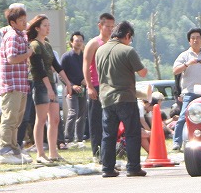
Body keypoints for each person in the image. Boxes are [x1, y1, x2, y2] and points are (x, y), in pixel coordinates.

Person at [95, 20, 148, 178]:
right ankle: (133, 167)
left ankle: (107, 168)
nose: (130, 41)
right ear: (127, 35)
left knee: (108, 135)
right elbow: (142, 73)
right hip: (125, 98)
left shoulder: (100, 51)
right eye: (130, 38)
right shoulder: (128, 51)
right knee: (132, 133)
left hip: (106, 99)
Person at [26, 14, 72, 164]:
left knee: (55, 119)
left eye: (49, 25)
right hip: (41, 84)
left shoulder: (47, 45)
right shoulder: (35, 45)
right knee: (41, 119)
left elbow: (56, 66)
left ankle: (53, 152)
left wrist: (67, 82)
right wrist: (48, 88)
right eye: (45, 25)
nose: (48, 28)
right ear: (37, 28)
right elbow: (39, 69)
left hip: (51, 83)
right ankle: (40, 153)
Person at [0, 6, 33, 165]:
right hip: (12, 84)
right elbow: (11, 58)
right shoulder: (12, 36)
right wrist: (27, 54)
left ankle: (14, 149)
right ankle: (5, 151)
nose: (24, 22)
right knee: (9, 118)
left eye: (25, 19)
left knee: (16, 120)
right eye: (21, 20)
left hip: (20, 84)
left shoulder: (21, 35)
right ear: (13, 23)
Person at [171, 28, 201, 151]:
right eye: (193, 38)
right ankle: (177, 142)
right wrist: (187, 64)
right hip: (189, 92)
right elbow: (175, 71)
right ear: (189, 41)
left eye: (198, 38)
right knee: (183, 117)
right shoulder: (184, 55)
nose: (195, 40)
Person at [82, 13, 115, 162]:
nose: (110, 29)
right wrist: (89, 86)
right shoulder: (94, 43)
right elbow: (85, 65)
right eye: (107, 26)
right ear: (100, 26)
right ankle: (97, 152)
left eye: (112, 27)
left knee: (110, 120)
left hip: (110, 86)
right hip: (96, 85)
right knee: (96, 121)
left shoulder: (113, 43)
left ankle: (108, 152)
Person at [60, 31, 87, 148]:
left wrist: (86, 80)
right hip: (70, 90)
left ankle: (79, 139)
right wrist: (71, 85)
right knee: (73, 112)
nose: (79, 43)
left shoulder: (84, 56)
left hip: (83, 89)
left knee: (82, 113)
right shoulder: (66, 57)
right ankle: (68, 139)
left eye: (81, 40)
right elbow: (61, 75)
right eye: (76, 41)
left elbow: (89, 70)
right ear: (71, 42)